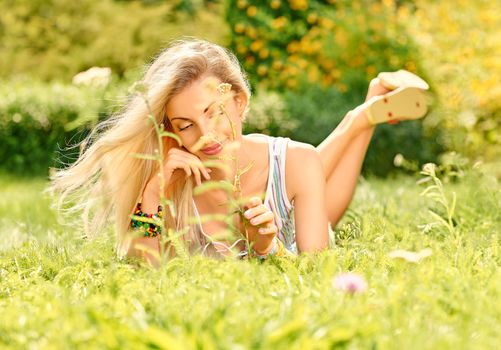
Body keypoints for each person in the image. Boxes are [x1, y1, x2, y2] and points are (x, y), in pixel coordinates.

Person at [48, 38, 429, 267]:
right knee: (308, 166)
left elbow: (318, 274)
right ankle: (364, 111)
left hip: (299, 208)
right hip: (294, 181)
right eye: (184, 125)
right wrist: (152, 193)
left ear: (241, 102)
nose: (204, 135)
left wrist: (267, 247)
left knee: (307, 170)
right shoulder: (172, 181)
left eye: (213, 112)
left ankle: (361, 117)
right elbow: (142, 268)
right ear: (167, 129)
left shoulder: (295, 161)